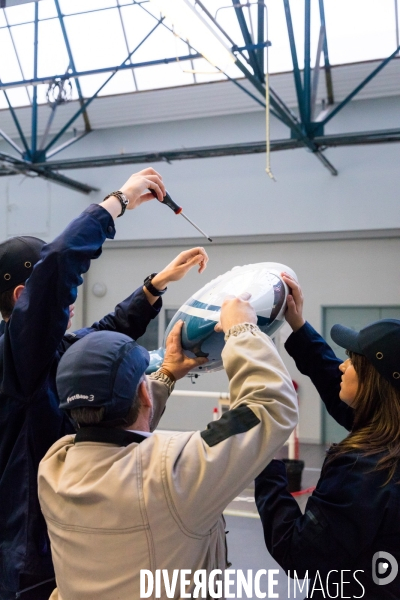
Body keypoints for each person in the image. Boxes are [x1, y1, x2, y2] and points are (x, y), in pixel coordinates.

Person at [0, 167, 209, 600]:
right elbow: (59, 263)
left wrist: (155, 286)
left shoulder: (38, 354)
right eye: (57, 294)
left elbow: (98, 334)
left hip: (52, 543)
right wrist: (120, 200)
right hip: (26, 561)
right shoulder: (20, 357)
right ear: (24, 297)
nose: (70, 300)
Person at [37, 293, 298, 600]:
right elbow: (268, 406)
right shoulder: (173, 473)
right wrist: (243, 331)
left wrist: (166, 376)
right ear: (144, 395)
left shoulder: (54, 467)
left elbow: (118, 429)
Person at [255, 273, 400, 599]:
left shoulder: (363, 469)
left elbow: (298, 553)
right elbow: (333, 376)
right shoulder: (388, 431)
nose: (342, 367)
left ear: (373, 384)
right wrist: (298, 325)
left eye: (352, 361)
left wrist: (266, 458)